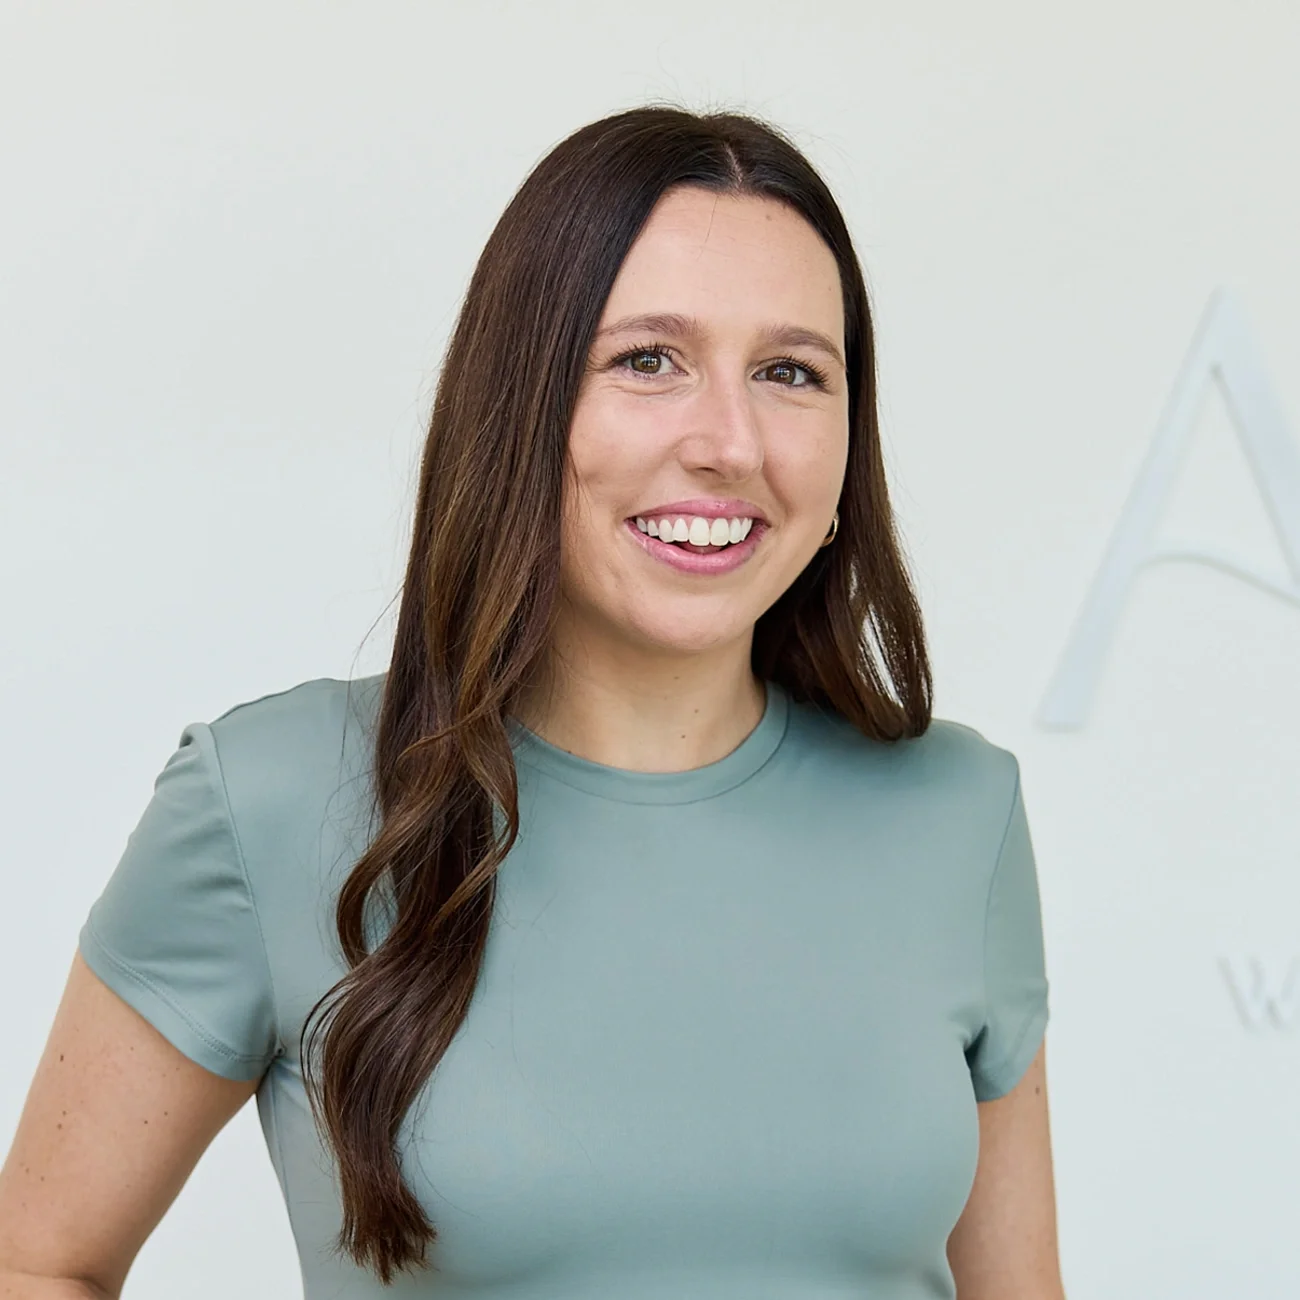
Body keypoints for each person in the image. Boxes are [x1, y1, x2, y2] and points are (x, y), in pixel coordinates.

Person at [0, 105, 1064, 1299]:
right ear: (518, 406)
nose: (729, 442)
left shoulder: (958, 813)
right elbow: (36, 1261)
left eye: (789, 372)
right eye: (647, 360)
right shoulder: (268, 801)